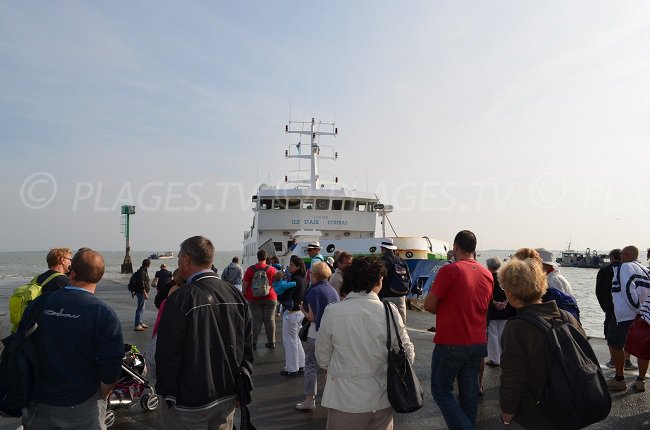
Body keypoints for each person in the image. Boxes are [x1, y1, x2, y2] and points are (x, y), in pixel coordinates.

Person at [156, 236, 254, 429]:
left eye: (179, 259)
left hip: (189, 401)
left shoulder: (181, 298)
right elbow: (247, 345)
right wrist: (241, 381)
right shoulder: (235, 294)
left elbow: (167, 352)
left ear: (186, 260)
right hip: (227, 394)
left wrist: (167, 392)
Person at [21, 249, 123, 430]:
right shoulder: (103, 313)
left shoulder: (39, 303)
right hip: (83, 405)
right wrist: (101, 395)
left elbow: (21, 345)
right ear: (99, 276)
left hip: (39, 401)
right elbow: (112, 367)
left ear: (72, 272)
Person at [316, 256, 415, 429]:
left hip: (345, 400)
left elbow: (322, 358)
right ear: (377, 282)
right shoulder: (389, 311)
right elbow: (408, 355)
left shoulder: (333, 312)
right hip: (382, 399)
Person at [498, 257, 585, 429]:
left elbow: (512, 377)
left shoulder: (517, 327)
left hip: (535, 414)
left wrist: (507, 414)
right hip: (572, 405)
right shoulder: (566, 317)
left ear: (509, 293)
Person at [424, 230, 492, 430]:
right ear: (474, 249)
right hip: (478, 340)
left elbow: (429, 305)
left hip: (452, 340)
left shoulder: (449, 271)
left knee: (441, 390)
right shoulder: (486, 273)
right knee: (469, 392)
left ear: (455, 247)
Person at [296, 262, 339, 411]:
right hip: (332, 334)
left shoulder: (313, 292)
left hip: (315, 334)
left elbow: (312, 317)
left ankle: (309, 400)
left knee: (311, 366)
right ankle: (331, 398)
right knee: (329, 367)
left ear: (314, 275)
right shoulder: (332, 291)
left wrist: (302, 308)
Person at [608, 245, 650, 391]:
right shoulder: (646, 270)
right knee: (642, 348)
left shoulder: (625, 267)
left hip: (626, 315)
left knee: (615, 344)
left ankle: (619, 379)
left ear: (625, 255)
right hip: (644, 315)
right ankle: (640, 380)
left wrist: (637, 310)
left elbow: (628, 290)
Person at [242, 249, 278, 349]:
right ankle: (271, 342)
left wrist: (242, 293)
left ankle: (254, 343)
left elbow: (245, 283)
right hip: (270, 297)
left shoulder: (250, 269)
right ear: (266, 258)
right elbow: (276, 282)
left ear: (257, 257)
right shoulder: (272, 269)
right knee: (270, 319)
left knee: (256, 320)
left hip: (254, 298)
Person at [485, 257, 516, 367]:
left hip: (493, 310)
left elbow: (487, 295)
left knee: (492, 334)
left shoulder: (488, 277)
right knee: (502, 334)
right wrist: (505, 302)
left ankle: (495, 359)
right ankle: (503, 357)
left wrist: (495, 303)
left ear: (489, 266)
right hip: (506, 310)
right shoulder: (504, 277)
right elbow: (510, 292)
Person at [595, 249, 623, 368]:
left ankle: (613, 359)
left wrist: (604, 307)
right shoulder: (626, 270)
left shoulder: (604, 271)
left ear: (611, 257)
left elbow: (598, 291)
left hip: (610, 307)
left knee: (610, 334)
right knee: (625, 332)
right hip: (625, 308)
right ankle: (626, 359)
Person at [281, 255, 308, 376]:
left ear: (297, 266)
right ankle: (301, 364)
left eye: (291, 265)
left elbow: (285, 295)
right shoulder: (303, 279)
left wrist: (279, 296)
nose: (289, 267)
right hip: (300, 312)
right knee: (296, 339)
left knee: (289, 341)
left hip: (291, 313)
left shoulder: (294, 280)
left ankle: (292, 368)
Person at [378, 238, 412, 323]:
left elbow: (377, 279)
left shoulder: (382, 261)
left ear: (383, 249)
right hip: (401, 296)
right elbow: (409, 280)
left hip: (386, 296)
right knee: (401, 324)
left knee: (387, 324)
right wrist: (405, 293)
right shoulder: (401, 261)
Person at [624, 293, 650, 392]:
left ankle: (640, 381)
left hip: (647, 322)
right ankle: (640, 380)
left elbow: (645, 308)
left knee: (643, 353)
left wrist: (641, 317)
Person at [133, 259, 151, 331]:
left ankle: (140, 322)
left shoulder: (143, 271)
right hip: (141, 292)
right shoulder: (142, 272)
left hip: (141, 292)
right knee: (140, 308)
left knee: (142, 308)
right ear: (148, 264)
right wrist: (145, 293)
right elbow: (142, 283)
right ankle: (137, 324)